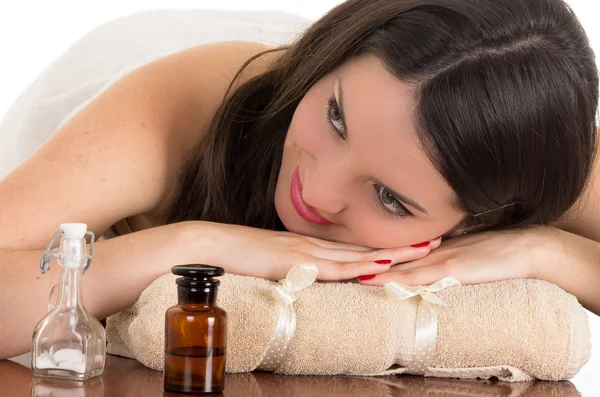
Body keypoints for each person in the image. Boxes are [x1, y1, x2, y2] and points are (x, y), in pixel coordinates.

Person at [0, 0, 598, 360]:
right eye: (336, 117)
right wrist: (190, 245)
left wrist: (546, 251)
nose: (317, 191)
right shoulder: (185, 110)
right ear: (335, 57)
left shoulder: (535, 156)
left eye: (390, 198)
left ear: (486, 217)